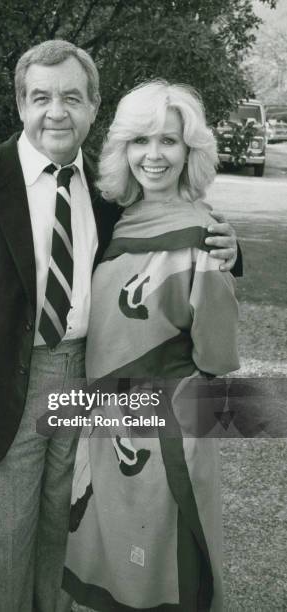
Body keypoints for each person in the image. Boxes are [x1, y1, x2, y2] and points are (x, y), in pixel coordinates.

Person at [0, 40, 239, 612]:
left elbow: (176, 237)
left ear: (93, 107)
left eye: (72, 97)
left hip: (91, 376)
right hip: (8, 378)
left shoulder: (111, 189)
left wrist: (233, 253)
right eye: (41, 97)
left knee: (68, 527)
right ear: (20, 104)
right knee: (4, 532)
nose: (56, 112)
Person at [62, 81, 240, 611]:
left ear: (191, 151)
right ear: (123, 149)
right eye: (141, 141)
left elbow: (216, 356)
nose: (154, 155)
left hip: (166, 433)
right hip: (102, 420)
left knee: (163, 571)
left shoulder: (205, 234)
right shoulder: (117, 219)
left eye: (169, 141)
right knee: (104, 558)